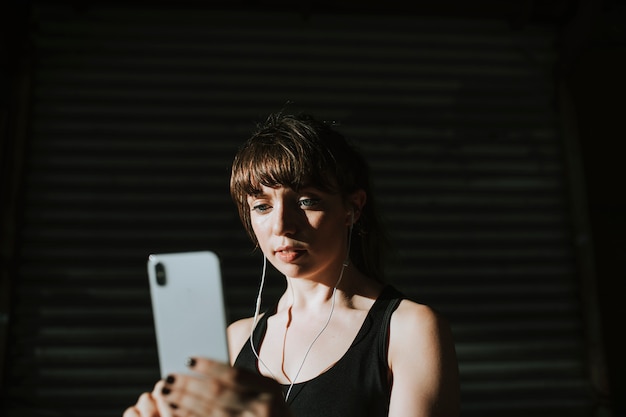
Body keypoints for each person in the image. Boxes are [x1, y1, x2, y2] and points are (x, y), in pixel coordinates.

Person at [123, 111, 460, 417]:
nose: (282, 225)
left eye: (306, 201)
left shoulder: (408, 329)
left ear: (352, 208)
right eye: (262, 206)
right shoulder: (237, 340)